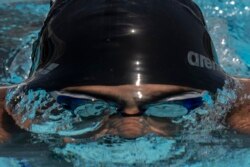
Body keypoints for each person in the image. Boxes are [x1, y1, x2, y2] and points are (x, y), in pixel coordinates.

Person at [1, 0, 250, 141]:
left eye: (169, 107)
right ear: (42, 100)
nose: (131, 133)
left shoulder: (232, 116)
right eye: (91, 107)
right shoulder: (18, 121)